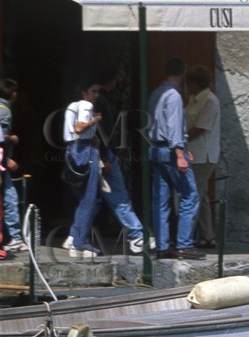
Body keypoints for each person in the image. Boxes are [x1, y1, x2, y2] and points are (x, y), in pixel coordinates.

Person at [147, 57, 200, 257]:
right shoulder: (174, 96)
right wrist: (180, 152)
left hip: (156, 148)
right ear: (183, 73)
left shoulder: (156, 93)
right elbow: (174, 125)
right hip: (170, 152)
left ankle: (162, 245)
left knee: (160, 200)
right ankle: (184, 244)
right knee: (189, 196)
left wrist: (183, 148)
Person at [92, 73, 146, 255]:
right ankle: (136, 235)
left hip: (102, 154)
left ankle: (76, 236)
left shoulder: (103, 99)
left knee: (91, 198)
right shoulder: (100, 100)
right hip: (104, 155)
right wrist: (105, 156)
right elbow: (101, 132)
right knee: (117, 195)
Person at [62, 79, 104, 254]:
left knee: (85, 198)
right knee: (90, 198)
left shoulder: (72, 106)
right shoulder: (86, 105)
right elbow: (79, 128)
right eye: (93, 91)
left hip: (73, 148)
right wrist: (96, 119)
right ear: (84, 92)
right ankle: (79, 242)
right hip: (84, 149)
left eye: (98, 91)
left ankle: (74, 236)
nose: (96, 95)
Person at [184, 65, 221, 248]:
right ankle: (208, 235)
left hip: (202, 155)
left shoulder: (210, 100)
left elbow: (200, 127)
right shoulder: (194, 99)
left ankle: (185, 238)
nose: (187, 86)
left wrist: (179, 138)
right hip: (194, 154)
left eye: (189, 83)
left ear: (196, 83)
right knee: (202, 195)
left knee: (193, 196)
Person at [0, 80, 19, 255]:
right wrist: (13, 138)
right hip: (2, 162)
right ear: (13, 94)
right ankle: (13, 237)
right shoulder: (5, 111)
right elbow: (2, 137)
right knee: (10, 197)